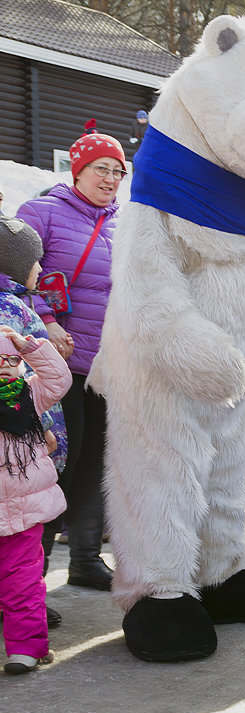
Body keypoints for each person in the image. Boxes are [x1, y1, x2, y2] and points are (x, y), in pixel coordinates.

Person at [16, 133, 125, 592]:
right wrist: (47, 321)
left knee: (97, 462)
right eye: (102, 168)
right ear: (76, 168)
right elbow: (14, 274)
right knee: (56, 464)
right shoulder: (40, 214)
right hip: (53, 365)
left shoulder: (129, 224)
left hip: (108, 366)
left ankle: (84, 559)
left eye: (118, 171)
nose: (111, 178)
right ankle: (28, 582)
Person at [0, 215, 69, 629]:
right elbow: (41, 388)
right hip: (23, 448)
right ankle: (26, 606)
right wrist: (52, 437)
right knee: (26, 536)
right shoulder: (16, 312)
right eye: (35, 261)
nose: (41, 269)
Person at [0, 325, 72, 674]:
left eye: (11, 359)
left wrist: (28, 346)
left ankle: (27, 649)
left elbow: (60, 378)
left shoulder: (30, 396)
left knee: (23, 585)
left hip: (25, 514)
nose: (5, 365)